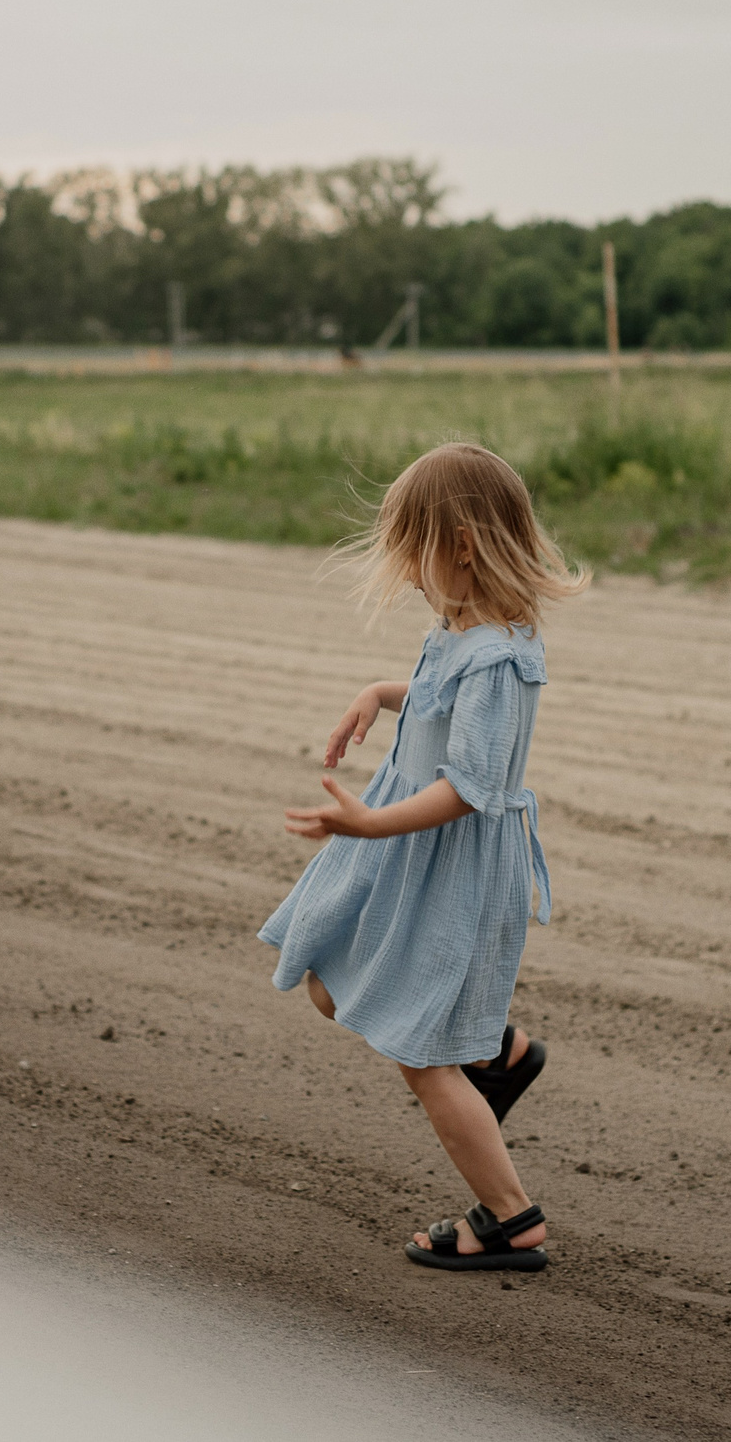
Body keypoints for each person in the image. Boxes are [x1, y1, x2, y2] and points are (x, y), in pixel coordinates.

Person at [262, 441, 588, 1273]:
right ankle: (494, 1053)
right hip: (414, 851)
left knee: (418, 1051)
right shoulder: (463, 630)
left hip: (448, 859)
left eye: (412, 552)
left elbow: (473, 783)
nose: (406, 573)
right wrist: (381, 690)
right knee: (332, 981)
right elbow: (443, 699)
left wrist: (370, 825)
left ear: (463, 545)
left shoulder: (501, 655)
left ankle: (511, 1217)